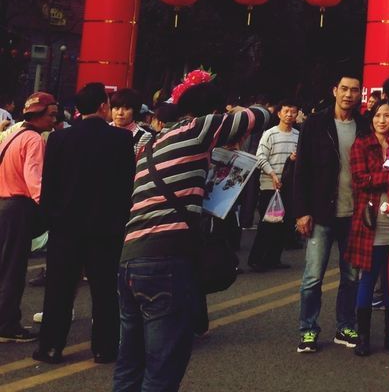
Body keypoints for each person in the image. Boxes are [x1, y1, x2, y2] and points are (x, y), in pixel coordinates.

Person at [113, 82, 264, 392]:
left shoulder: (150, 147)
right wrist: (232, 112)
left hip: (130, 260)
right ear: (213, 112)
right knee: (163, 366)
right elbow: (260, 115)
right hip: (166, 261)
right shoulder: (199, 128)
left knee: (130, 362)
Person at [32, 83, 134, 365]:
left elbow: (50, 185)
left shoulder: (59, 139)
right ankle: (104, 348)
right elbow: (127, 186)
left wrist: (49, 219)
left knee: (59, 289)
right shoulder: (121, 140)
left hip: (66, 226)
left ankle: (51, 347)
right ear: (103, 106)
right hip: (106, 227)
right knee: (104, 290)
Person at [293, 72, 369, 353]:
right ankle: (308, 329)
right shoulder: (316, 124)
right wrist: (302, 211)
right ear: (334, 90)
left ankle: (345, 325)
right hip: (322, 213)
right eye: (345, 89)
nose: (349, 94)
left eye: (355, 90)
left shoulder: (364, 125)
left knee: (351, 277)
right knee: (313, 277)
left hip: (354, 214)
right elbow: (302, 172)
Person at [346, 99, 389, 355]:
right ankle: (363, 337)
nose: (383, 121)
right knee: (368, 278)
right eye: (378, 116)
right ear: (371, 118)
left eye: (388, 116)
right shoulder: (362, 144)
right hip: (372, 222)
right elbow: (360, 179)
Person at [0, 92, 59, 342]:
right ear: (39, 114)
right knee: (12, 270)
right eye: (52, 114)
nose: (54, 120)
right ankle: (7, 324)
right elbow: (35, 179)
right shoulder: (34, 139)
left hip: (2, 205)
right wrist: (50, 209)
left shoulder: (10, 133)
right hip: (17, 209)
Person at [248, 100, 299, 273]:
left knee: (283, 225)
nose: (289, 115)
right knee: (267, 225)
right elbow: (260, 157)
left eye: (293, 111)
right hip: (270, 186)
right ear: (279, 114)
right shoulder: (270, 134)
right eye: (286, 111)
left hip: (288, 187)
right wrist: (273, 174)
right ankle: (256, 260)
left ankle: (273, 259)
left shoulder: (298, 136)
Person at [109, 88, 154, 154]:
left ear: (135, 111)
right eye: (116, 108)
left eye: (126, 109)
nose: (120, 113)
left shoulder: (143, 136)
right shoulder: (103, 129)